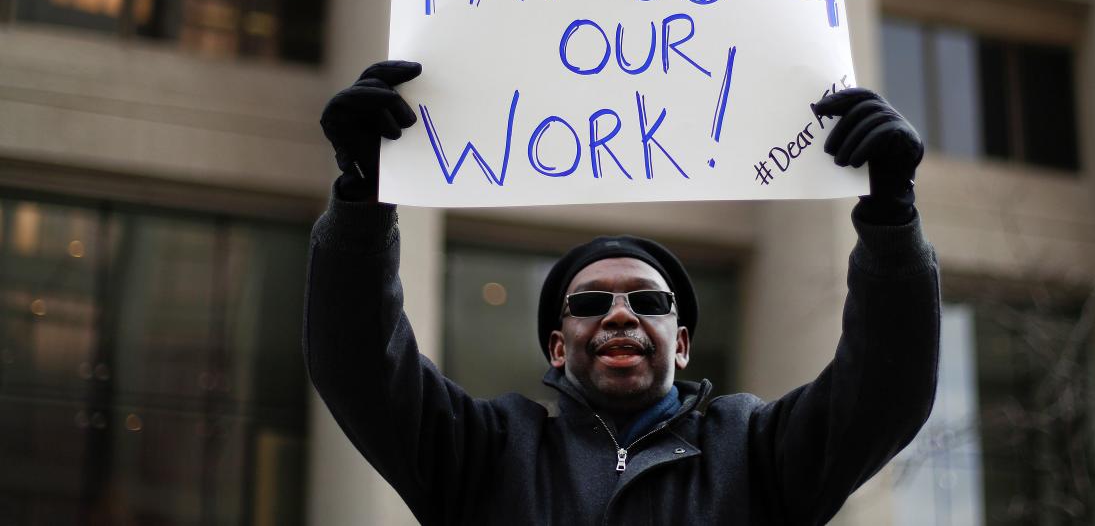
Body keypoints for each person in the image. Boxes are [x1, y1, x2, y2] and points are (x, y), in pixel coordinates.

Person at [305, 60, 941, 525]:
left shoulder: (755, 449)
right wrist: (362, 199)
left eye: (648, 301)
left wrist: (892, 219)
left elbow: (885, 390)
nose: (618, 314)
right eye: (588, 303)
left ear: (682, 342)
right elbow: (359, 363)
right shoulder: (486, 451)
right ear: (558, 345)